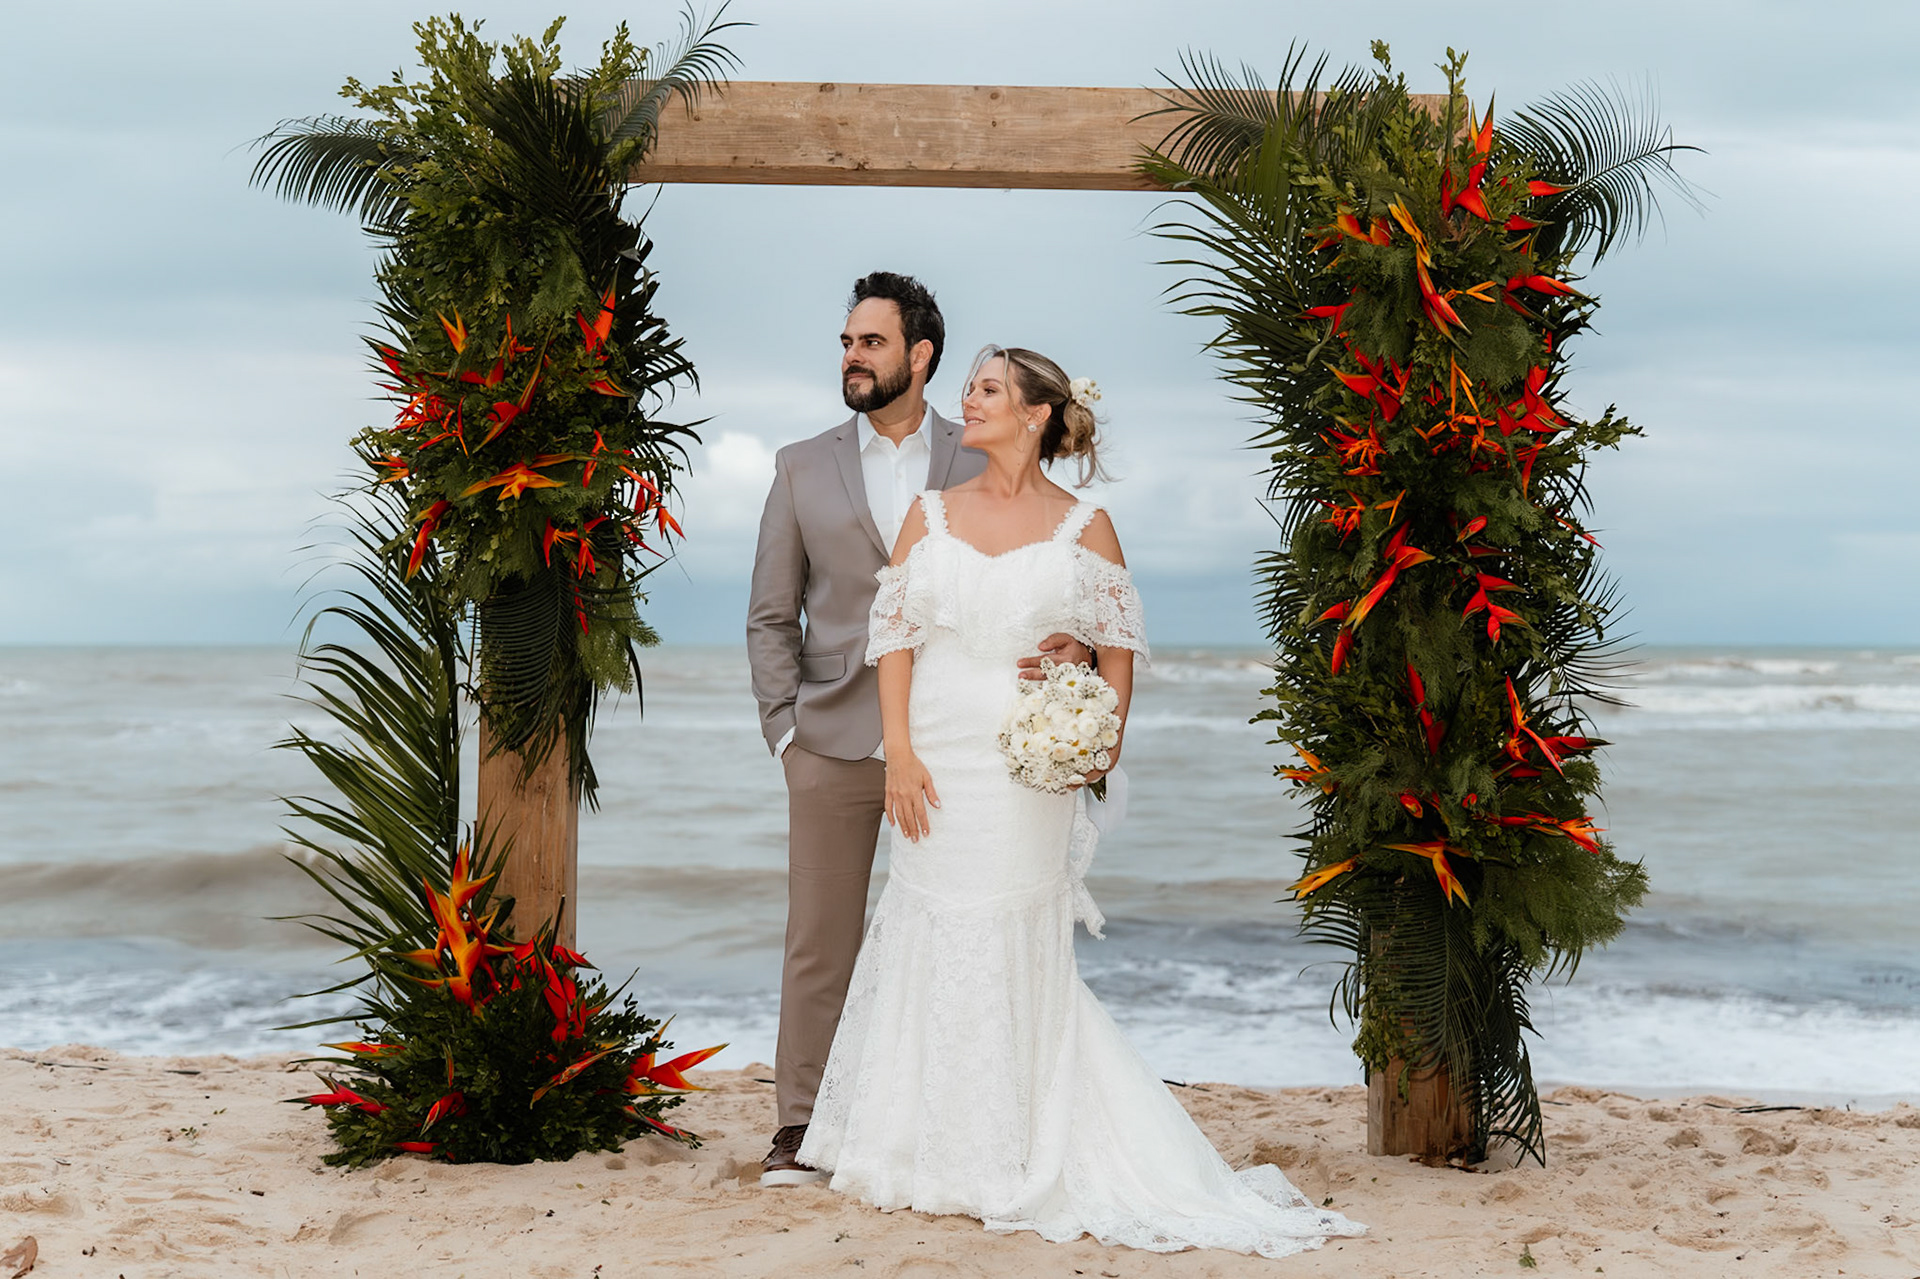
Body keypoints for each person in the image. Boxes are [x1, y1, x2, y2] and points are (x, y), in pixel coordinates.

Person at [795, 346, 1368, 1257]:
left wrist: (1090, 730)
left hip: (1027, 772)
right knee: (926, 926)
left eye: (986, 390)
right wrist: (896, 751)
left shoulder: (1086, 525)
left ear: (1034, 414)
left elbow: (1118, 653)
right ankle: (917, 1146)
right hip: (934, 757)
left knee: (1010, 934)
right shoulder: (928, 513)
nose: (966, 403)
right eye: (972, 388)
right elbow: (893, 638)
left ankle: (1018, 1143)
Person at [746, 275, 1093, 1187]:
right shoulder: (800, 464)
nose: (853, 356)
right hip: (828, 739)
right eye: (848, 341)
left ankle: (939, 1120)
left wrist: (1075, 652)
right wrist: (785, 731)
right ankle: (799, 1126)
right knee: (820, 938)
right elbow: (771, 614)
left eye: (871, 341)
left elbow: (1041, 564)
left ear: (919, 355)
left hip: (951, 752)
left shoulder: (974, 446)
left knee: (952, 934)